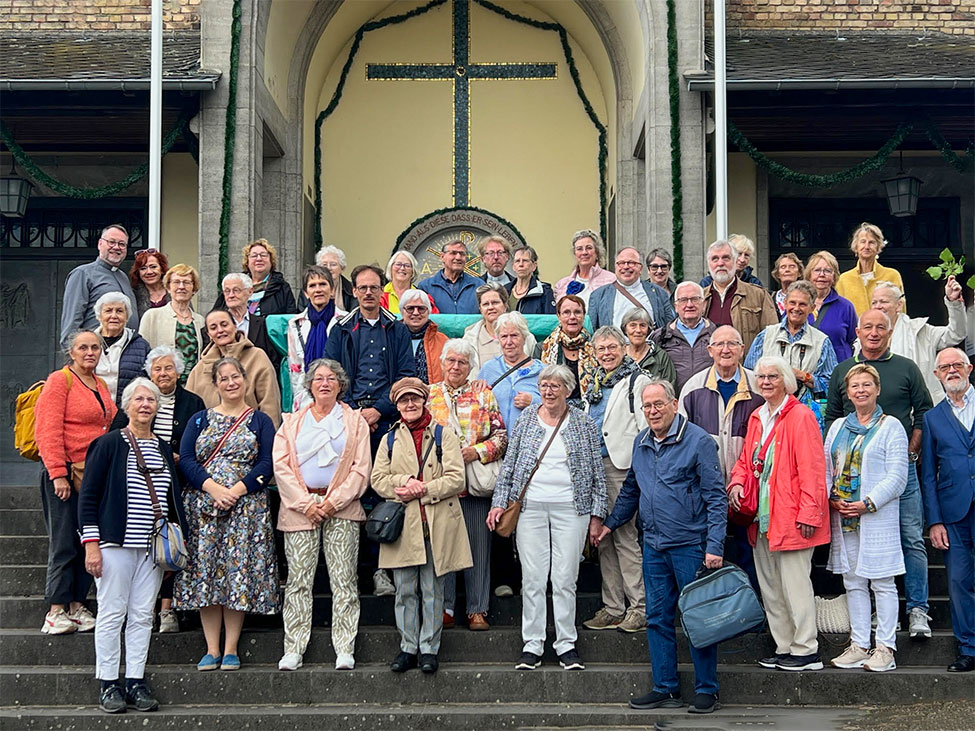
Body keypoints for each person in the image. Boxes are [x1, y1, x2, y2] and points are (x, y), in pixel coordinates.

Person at [593, 379, 726, 714]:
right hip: (652, 544)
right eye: (647, 406)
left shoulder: (698, 441)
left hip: (690, 545)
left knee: (698, 618)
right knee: (657, 618)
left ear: (674, 403)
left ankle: (707, 689)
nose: (652, 411)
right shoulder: (641, 442)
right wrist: (609, 524)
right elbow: (631, 491)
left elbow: (716, 498)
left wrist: (714, 545)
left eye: (658, 404)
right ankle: (665, 688)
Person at [488, 365, 607, 672]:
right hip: (530, 508)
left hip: (572, 508)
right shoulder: (526, 420)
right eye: (544, 385)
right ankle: (532, 644)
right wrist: (499, 503)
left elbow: (597, 472)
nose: (549, 391)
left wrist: (597, 514)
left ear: (568, 390)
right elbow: (510, 466)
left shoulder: (583, 422)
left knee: (566, 578)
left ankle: (566, 644)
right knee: (533, 578)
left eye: (556, 385)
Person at [79, 378, 188, 713]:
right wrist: (91, 544)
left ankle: (136, 680)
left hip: (152, 548)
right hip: (115, 542)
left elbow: (172, 500)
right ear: (127, 406)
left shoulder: (164, 449)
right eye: (139, 399)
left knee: (142, 615)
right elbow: (89, 497)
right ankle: (108, 683)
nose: (145, 405)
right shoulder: (108, 444)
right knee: (112, 613)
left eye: (151, 400)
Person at [826, 308, 934, 639]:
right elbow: (832, 416)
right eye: (867, 327)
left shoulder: (906, 368)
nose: (874, 332)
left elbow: (924, 412)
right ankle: (876, 614)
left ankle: (917, 609)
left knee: (911, 537)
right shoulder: (843, 370)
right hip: (854, 477)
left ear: (890, 332)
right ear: (857, 331)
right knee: (863, 546)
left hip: (900, 471)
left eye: (881, 327)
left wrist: (911, 452)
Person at [176, 357, 279, 671]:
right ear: (216, 384)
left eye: (236, 377)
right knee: (206, 574)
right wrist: (212, 488)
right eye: (225, 378)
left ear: (245, 380)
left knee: (237, 575)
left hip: (245, 508)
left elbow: (267, 462)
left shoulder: (259, 421)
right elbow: (187, 459)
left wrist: (236, 489)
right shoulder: (199, 420)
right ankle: (211, 647)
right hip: (204, 507)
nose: (231, 383)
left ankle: (231, 647)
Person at [729, 356, 830, 672]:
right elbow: (746, 460)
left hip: (792, 517)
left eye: (773, 376)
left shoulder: (801, 416)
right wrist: (735, 483)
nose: (766, 381)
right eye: (761, 376)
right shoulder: (758, 415)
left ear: (787, 380)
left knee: (795, 586)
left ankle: (806, 649)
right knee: (771, 587)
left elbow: (813, 469)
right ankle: (785, 645)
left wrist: (810, 514)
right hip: (761, 519)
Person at [273, 359, 371, 671]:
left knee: (344, 580)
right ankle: (294, 648)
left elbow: (360, 469)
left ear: (341, 384)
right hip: (300, 510)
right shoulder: (292, 423)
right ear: (309, 385)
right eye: (318, 379)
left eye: (331, 378)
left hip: (342, 510)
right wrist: (307, 504)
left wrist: (332, 502)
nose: (324, 383)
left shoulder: (355, 423)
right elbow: (282, 467)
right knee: (299, 581)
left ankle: (344, 647)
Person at [371, 377, 471, 675]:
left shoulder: (444, 434)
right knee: (404, 589)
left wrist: (423, 489)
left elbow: (457, 478)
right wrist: (405, 483)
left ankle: (429, 647)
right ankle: (407, 647)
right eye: (404, 400)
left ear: (424, 400)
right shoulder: (389, 438)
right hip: (404, 527)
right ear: (397, 405)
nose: (410, 404)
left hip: (436, 524)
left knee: (432, 589)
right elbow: (378, 479)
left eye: (414, 399)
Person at [109, 346, 204, 633]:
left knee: (170, 544)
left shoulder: (192, 402)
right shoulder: (137, 398)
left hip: (177, 484)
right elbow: (117, 436)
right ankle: (144, 609)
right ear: (149, 372)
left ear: (179, 372)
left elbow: (200, 442)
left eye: (169, 368)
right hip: (138, 487)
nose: (163, 373)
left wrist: (181, 456)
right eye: (158, 369)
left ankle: (167, 609)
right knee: (142, 546)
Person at [825, 364, 908, 673]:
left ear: (877, 389)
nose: (860, 390)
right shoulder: (837, 428)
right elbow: (825, 465)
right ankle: (859, 644)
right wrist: (831, 496)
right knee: (854, 580)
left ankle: (885, 647)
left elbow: (898, 476)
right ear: (848, 393)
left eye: (866, 385)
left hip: (875, 515)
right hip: (844, 515)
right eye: (855, 386)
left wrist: (866, 503)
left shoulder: (891, 427)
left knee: (883, 582)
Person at [35, 330, 117, 635]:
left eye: (95, 347)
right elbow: (47, 429)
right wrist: (57, 472)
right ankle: (56, 608)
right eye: (83, 347)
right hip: (66, 474)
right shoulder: (60, 380)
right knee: (64, 541)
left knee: (86, 540)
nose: (90, 352)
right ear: (71, 352)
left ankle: (76, 604)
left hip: (91, 476)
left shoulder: (99, 384)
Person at [428, 339, 508, 631]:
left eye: (462, 362)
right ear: (442, 363)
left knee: (478, 548)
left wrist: (476, 451)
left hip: (474, 484)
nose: (456, 367)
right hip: (440, 484)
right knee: (444, 548)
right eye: (451, 361)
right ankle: (445, 607)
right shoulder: (429, 395)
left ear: (470, 367)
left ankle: (477, 609)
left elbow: (501, 437)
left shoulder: (483, 395)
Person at [678, 325, 764, 588]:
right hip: (704, 487)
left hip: (748, 487)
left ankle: (752, 610)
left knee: (747, 552)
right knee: (708, 552)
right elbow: (681, 439)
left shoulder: (759, 386)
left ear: (742, 349)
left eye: (732, 344)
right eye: (719, 344)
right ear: (710, 350)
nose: (725, 350)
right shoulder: (693, 387)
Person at [581, 327, 651, 633]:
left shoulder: (638, 380)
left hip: (622, 468)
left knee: (624, 536)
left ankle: (639, 607)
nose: (606, 353)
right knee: (602, 538)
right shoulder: (594, 383)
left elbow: (646, 430)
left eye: (612, 347)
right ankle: (612, 607)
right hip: (595, 467)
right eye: (601, 349)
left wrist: (640, 472)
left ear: (624, 348)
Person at [323, 264, 416, 454]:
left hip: (388, 419)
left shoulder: (398, 330)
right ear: (354, 291)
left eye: (374, 287)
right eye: (363, 288)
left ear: (382, 290)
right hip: (347, 418)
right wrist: (355, 414)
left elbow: (405, 376)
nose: (368, 292)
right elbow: (330, 375)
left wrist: (378, 411)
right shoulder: (341, 330)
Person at [921, 348, 975, 672]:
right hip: (953, 512)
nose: (951, 370)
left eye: (957, 364)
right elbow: (928, 474)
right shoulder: (932, 418)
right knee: (958, 582)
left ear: (969, 368)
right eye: (945, 367)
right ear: (937, 375)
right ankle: (969, 648)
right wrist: (934, 521)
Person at [745, 280, 837, 425]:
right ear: (785, 303)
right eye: (792, 302)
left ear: (812, 308)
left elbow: (830, 385)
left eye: (802, 304)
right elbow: (749, 375)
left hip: (803, 414)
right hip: (767, 412)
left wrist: (803, 376)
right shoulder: (766, 335)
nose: (796, 308)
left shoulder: (822, 341)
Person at [869, 277, 966, 404]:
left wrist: (953, 303)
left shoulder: (920, 330)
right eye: (874, 302)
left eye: (883, 301)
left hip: (921, 405)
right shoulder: (866, 335)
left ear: (899, 305)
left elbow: (956, 334)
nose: (878, 306)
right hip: (881, 405)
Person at [185, 308, 282, 427]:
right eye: (213, 328)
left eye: (224, 324)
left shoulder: (257, 357)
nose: (220, 330)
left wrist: (269, 436)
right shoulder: (201, 366)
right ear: (209, 335)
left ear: (235, 326)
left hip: (250, 435)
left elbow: (270, 402)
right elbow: (188, 406)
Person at [60, 223, 138, 349]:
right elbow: (72, 322)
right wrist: (72, 357)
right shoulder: (82, 274)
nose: (116, 247)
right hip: (95, 353)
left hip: (125, 352)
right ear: (100, 244)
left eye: (122, 244)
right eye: (111, 242)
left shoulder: (123, 277)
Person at [702, 239, 778, 352]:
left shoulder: (759, 295)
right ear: (709, 264)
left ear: (734, 261)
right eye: (715, 259)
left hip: (747, 367)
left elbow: (773, 338)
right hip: (709, 367)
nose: (720, 263)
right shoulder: (700, 298)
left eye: (726, 258)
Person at [287, 265, 345, 411]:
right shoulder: (296, 324)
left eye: (323, 284)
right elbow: (295, 367)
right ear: (306, 293)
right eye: (312, 286)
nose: (318, 289)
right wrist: (300, 398)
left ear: (332, 289)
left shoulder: (346, 321)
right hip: (307, 399)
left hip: (340, 398)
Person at [139, 264, 206, 386]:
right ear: (168, 287)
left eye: (186, 282)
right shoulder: (152, 316)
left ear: (194, 289)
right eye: (176, 282)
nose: (181, 287)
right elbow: (141, 355)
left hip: (193, 387)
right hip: (161, 386)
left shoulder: (200, 320)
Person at [478, 311, 544, 432]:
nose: (509, 342)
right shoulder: (488, 369)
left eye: (514, 336)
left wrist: (533, 401)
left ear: (524, 338)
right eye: (504, 336)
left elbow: (556, 406)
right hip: (495, 444)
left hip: (528, 444)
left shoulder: (542, 372)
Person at [588, 247, 675, 331]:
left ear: (640, 268)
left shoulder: (659, 293)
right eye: (621, 263)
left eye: (631, 263)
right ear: (615, 267)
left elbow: (669, 328)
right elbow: (591, 331)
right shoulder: (598, 296)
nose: (626, 267)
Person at [652, 282, 717, 393]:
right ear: (676, 306)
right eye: (683, 300)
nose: (689, 304)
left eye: (695, 299)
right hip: (673, 403)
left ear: (704, 304)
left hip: (710, 400)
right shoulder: (660, 337)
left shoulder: (717, 335)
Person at [93, 291, 152, 407]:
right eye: (108, 311)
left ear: (127, 317)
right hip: (91, 411)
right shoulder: (86, 342)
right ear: (99, 316)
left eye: (119, 311)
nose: (114, 316)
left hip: (126, 413)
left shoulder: (141, 346)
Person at [216, 272, 282, 373]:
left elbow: (273, 360)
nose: (231, 295)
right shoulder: (216, 326)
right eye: (227, 291)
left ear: (250, 292)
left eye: (236, 290)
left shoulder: (262, 324)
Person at [836, 222, 905, 317]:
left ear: (878, 247)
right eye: (863, 242)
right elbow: (839, 314)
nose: (867, 246)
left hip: (886, 330)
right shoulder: (844, 279)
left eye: (871, 242)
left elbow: (901, 311)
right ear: (856, 246)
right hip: (854, 331)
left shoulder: (892, 275)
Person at [214, 238, 297, 317]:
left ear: (271, 261)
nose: (259, 259)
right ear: (247, 262)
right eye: (254, 256)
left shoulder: (282, 287)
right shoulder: (235, 284)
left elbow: (291, 318)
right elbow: (216, 314)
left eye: (263, 255)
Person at [463, 282, 537, 368]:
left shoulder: (526, 337)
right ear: (480, 309)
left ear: (505, 305)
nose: (490, 307)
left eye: (495, 302)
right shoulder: (469, 339)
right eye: (485, 304)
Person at [538, 295, 598, 401]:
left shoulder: (596, 347)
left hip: (589, 409)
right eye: (566, 312)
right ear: (558, 316)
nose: (572, 317)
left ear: (584, 316)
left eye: (577, 312)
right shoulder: (542, 347)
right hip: (554, 408)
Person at [804, 251, 858, 362]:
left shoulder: (846, 307)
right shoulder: (798, 305)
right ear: (809, 275)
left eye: (827, 271)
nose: (822, 274)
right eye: (817, 270)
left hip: (837, 369)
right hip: (805, 370)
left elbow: (853, 339)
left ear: (834, 277)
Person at [416, 238, 482, 314]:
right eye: (453, 253)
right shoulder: (426, 287)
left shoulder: (479, 285)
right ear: (442, 257)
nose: (458, 257)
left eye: (462, 254)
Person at [554, 229, 616, 306]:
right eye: (579, 249)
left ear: (597, 252)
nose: (584, 252)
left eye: (589, 248)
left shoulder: (612, 281)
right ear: (575, 254)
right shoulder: (562, 285)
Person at [400, 289, 449, 383]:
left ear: (428, 312)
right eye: (410, 308)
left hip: (434, 395)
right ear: (402, 311)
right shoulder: (390, 339)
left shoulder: (443, 341)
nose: (415, 313)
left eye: (421, 308)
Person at [621, 308, 677, 387]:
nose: (638, 330)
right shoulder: (618, 355)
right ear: (625, 329)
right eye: (633, 325)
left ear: (648, 329)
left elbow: (670, 388)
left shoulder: (660, 356)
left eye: (642, 325)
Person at [381, 250, 436, 315]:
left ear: (413, 271)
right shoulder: (380, 295)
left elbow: (433, 321)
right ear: (390, 268)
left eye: (407, 265)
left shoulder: (423, 298)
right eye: (398, 264)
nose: (402, 268)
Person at [508, 245, 556, 314]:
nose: (521, 264)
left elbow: (549, 321)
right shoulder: (505, 291)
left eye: (525, 261)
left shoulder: (544, 292)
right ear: (513, 266)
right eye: (517, 261)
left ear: (534, 266)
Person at [129, 248, 170, 319]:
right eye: (143, 268)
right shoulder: (133, 296)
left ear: (162, 269)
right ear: (138, 273)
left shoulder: (175, 291)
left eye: (153, 267)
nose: (149, 272)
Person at [315, 244, 357, 312]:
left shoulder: (352, 289)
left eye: (333, 264)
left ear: (342, 268)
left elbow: (354, 313)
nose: (328, 268)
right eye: (324, 265)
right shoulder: (310, 288)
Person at [770, 253, 803, 317]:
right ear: (777, 274)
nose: (787, 270)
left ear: (799, 273)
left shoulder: (806, 297)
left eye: (792, 266)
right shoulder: (770, 299)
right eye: (783, 267)